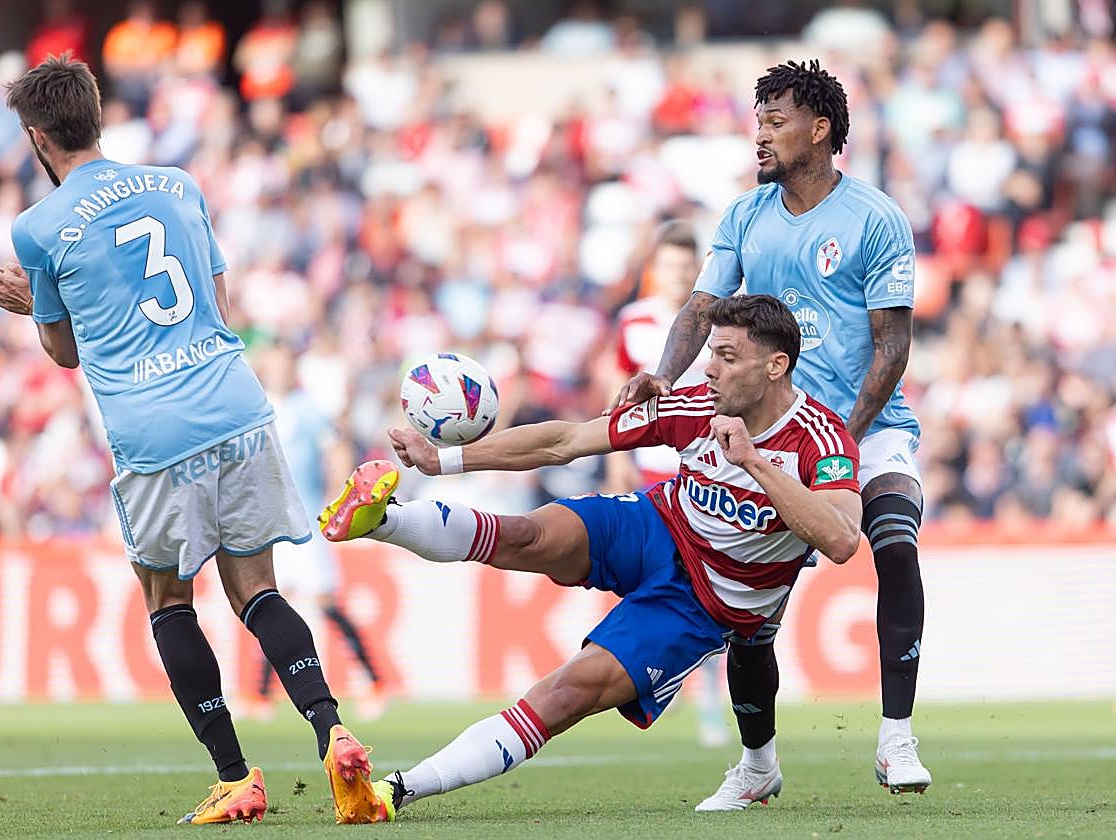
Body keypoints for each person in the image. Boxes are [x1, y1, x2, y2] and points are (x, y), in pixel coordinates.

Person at [0, 56, 387, 826]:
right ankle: (332, 730)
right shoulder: (178, 183)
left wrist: (33, 302)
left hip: (154, 429)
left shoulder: (35, 227)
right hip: (235, 404)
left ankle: (237, 776)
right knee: (257, 590)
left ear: (35, 136)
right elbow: (222, 305)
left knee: (168, 598)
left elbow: (67, 354)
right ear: (96, 113)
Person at [320, 294, 863, 821]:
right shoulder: (698, 403)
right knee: (531, 535)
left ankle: (394, 790)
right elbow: (566, 440)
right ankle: (384, 520)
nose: (711, 369)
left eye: (727, 356)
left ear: (776, 366)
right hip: (658, 525)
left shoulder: (822, 438)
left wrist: (752, 461)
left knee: (566, 693)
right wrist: (444, 460)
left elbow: (840, 540)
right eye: (711, 354)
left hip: (706, 601)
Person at [609, 59, 931, 797]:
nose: (760, 134)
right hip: (771, 433)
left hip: (865, 426)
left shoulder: (875, 218)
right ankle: (757, 766)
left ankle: (896, 739)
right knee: (750, 620)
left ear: (820, 131)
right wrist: (665, 373)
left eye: (775, 121)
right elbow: (698, 310)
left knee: (895, 542)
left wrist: (843, 438)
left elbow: (892, 344)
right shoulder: (745, 216)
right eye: (757, 120)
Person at [608, 220, 730, 747]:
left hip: (701, 467)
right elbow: (618, 394)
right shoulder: (632, 322)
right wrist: (618, 467)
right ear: (655, 269)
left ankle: (709, 702)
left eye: (687, 265)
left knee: (709, 590)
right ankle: (654, 684)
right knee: (648, 585)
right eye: (670, 265)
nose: (679, 274)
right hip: (653, 469)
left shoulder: (717, 321)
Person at [247, 345, 386, 722]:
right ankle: (260, 694)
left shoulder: (306, 410)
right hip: (271, 523)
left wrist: (337, 496)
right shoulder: (256, 407)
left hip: (306, 520)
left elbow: (337, 447)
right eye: (273, 364)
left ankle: (373, 681)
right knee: (270, 603)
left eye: (284, 364)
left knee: (324, 601)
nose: (279, 370)